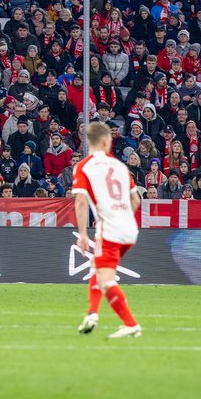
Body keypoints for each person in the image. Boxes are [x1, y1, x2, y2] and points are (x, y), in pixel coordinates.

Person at [73, 122, 142, 338]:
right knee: (97, 267)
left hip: (109, 229)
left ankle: (130, 324)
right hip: (129, 228)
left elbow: (81, 201)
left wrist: (82, 234)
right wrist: (123, 218)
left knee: (105, 280)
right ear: (105, 141)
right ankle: (92, 313)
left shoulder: (84, 166)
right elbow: (136, 200)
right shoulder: (120, 166)